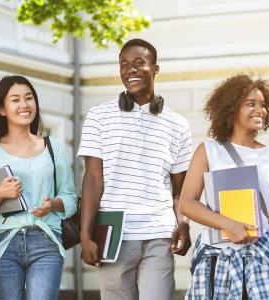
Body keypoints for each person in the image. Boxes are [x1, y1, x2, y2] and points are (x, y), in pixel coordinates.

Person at [77, 38, 193, 300]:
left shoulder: (177, 124)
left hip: (159, 234)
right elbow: (93, 179)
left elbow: (179, 191)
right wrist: (86, 235)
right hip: (113, 234)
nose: (130, 70)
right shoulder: (98, 116)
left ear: (155, 69)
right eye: (124, 65)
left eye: (139, 63)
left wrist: (184, 225)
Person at [181, 75, 269, 299]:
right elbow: (187, 203)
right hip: (216, 256)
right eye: (251, 104)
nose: (260, 110)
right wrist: (227, 224)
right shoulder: (209, 150)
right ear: (232, 109)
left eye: (263, 105)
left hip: (260, 257)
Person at [0, 75, 78, 300]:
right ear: (2, 109)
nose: (24, 105)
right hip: (3, 243)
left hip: (47, 240)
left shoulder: (52, 146)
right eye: (15, 100)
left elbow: (70, 198)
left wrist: (53, 205)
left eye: (29, 98)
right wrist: (0, 194)